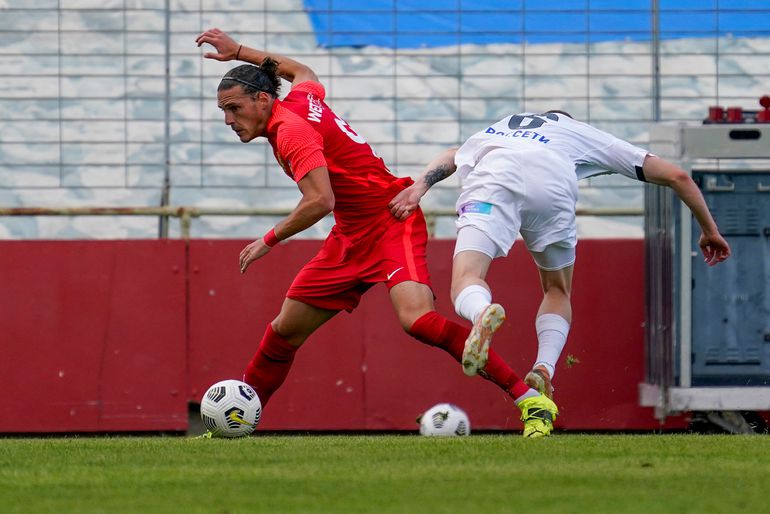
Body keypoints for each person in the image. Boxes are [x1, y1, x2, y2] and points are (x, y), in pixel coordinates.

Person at [195, 28, 557, 438]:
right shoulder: (301, 99)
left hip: (390, 221)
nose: (228, 119)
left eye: (233, 108)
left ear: (262, 100)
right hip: (349, 236)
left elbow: (320, 201)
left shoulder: (292, 131)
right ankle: (240, 421)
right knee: (283, 332)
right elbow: (302, 70)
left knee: (417, 320)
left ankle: (531, 400)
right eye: (224, 110)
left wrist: (268, 239)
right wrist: (238, 51)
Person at [389, 110, 731, 400]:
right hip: (552, 185)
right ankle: (544, 368)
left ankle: (481, 313)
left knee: (468, 278)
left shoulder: (505, 125)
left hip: (495, 174)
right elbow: (678, 176)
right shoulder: (583, 134)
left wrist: (420, 186)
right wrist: (709, 230)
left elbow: (453, 154)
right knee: (557, 289)